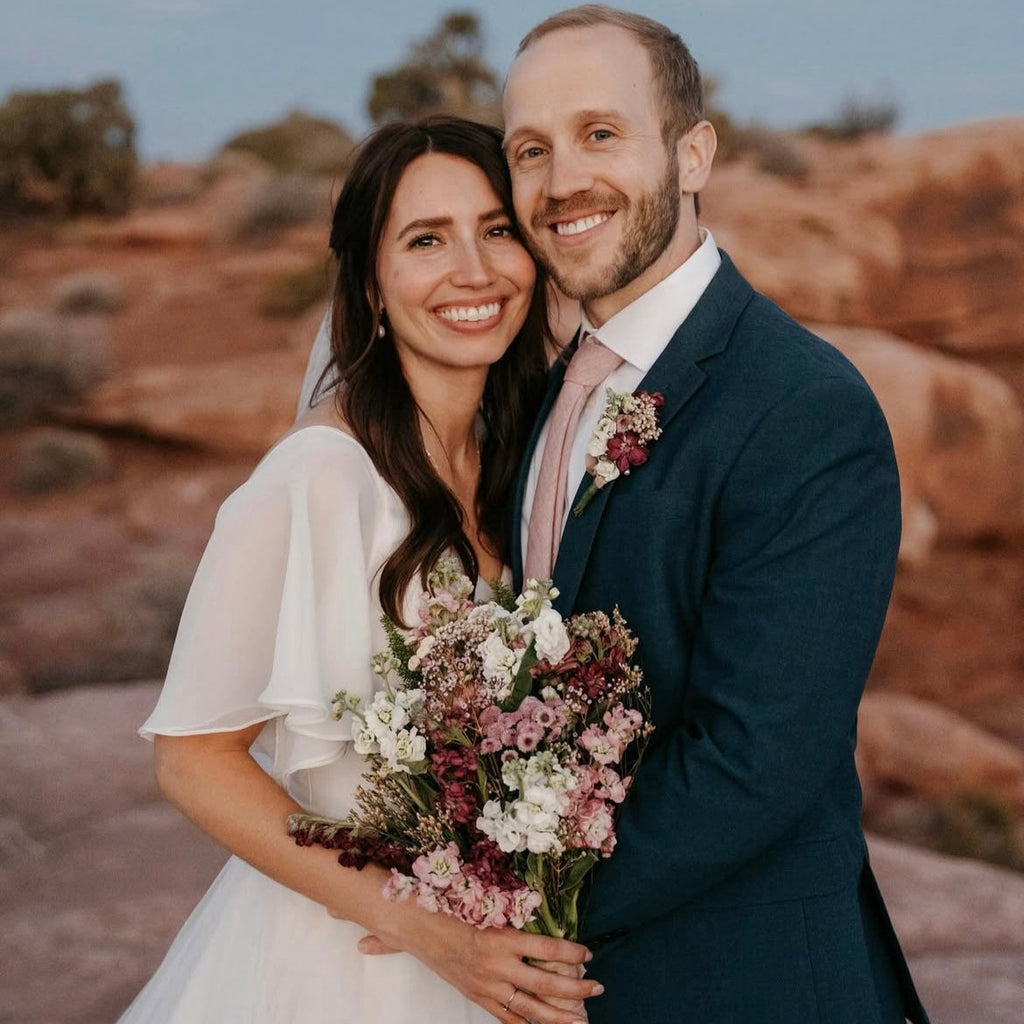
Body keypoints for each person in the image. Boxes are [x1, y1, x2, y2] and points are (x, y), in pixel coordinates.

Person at [497, 6, 930, 1024]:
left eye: (600, 134)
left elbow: (755, 756)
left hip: (743, 979)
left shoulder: (800, 407)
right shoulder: (531, 391)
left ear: (691, 154)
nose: (562, 182)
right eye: (530, 150)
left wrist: (502, 909)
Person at [117, 116, 602, 1024]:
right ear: (372, 285)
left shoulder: (522, 468)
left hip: (505, 954)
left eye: (498, 229)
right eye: (426, 240)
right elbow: (191, 762)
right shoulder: (319, 479)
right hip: (357, 967)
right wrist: (424, 928)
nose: (475, 270)